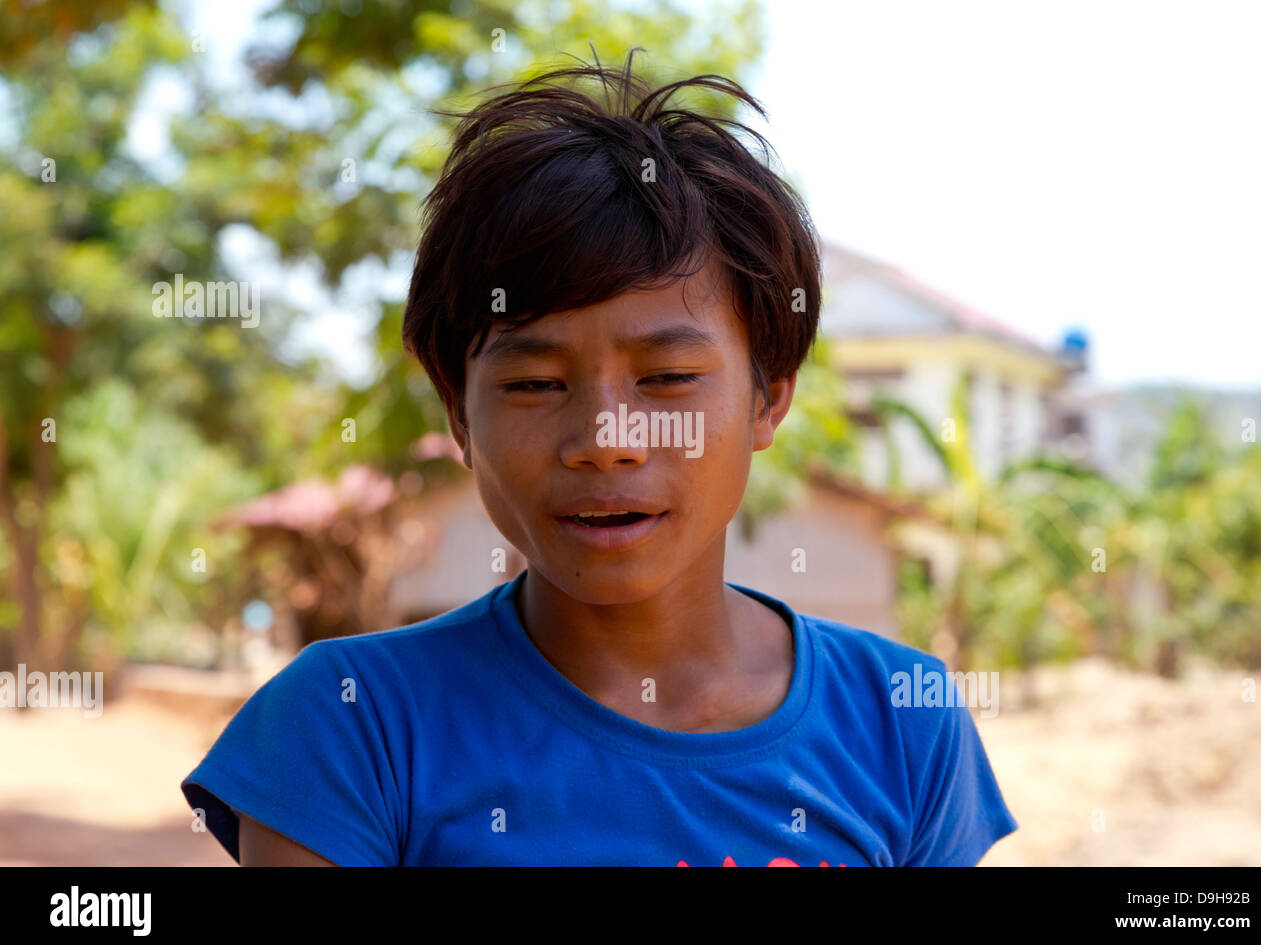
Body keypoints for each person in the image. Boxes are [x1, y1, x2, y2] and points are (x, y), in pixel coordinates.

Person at [181, 49, 1018, 866]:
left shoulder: (903, 721)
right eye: (536, 384)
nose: (605, 441)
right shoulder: (351, 726)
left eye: (667, 378)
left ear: (769, 398)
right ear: (458, 415)